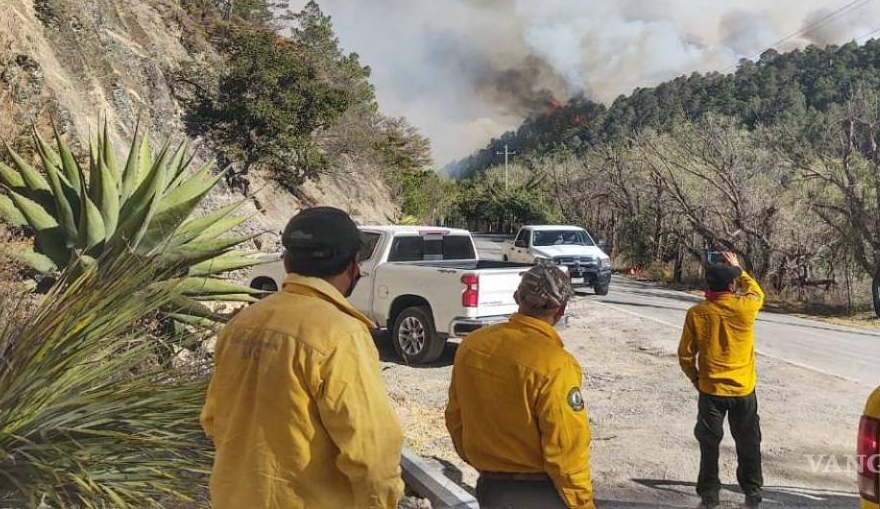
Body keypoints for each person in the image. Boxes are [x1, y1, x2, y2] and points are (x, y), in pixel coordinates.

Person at [200, 207, 404, 509]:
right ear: (353, 266)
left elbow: (212, 420)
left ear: (286, 262)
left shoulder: (241, 323)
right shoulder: (341, 334)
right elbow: (371, 451)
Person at [445, 263, 594, 509]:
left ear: (517, 298)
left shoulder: (472, 345)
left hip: (490, 488)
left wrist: (484, 463)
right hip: (539, 495)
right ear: (561, 309)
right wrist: (582, 503)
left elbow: (455, 417)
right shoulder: (556, 365)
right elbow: (566, 448)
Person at [678, 252, 765, 509]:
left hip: (711, 391)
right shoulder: (746, 308)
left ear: (708, 286)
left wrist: (697, 379)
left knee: (709, 445)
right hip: (743, 390)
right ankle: (753, 492)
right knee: (749, 443)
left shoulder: (697, 313)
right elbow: (757, 292)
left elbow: (685, 355)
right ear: (731, 286)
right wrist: (739, 269)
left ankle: (709, 496)